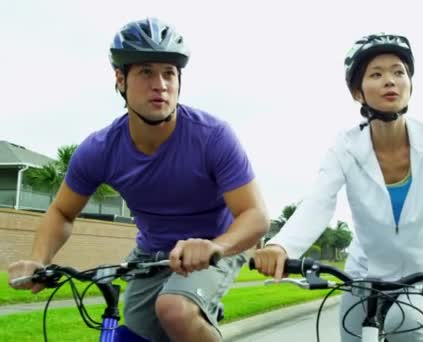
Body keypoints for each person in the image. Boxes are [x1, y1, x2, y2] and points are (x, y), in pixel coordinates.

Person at [8, 17, 269, 342]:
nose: (160, 84)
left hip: (217, 245)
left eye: (169, 73)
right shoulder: (100, 149)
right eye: (146, 71)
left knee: (175, 309)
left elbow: (255, 216)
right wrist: (38, 261)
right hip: (152, 255)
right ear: (121, 79)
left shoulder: (212, 136)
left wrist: (216, 245)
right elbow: (62, 212)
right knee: (130, 336)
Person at [253, 33, 423, 341]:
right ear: (357, 93)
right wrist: (282, 247)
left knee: (404, 327)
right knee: (352, 335)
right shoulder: (345, 148)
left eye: (399, 72)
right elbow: (319, 202)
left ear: (410, 84)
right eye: (376, 74)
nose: (390, 81)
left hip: (422, 274)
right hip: (363, 273)